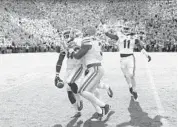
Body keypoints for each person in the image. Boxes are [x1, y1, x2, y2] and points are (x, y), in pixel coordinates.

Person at [101, 20, 151, 101]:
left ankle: (134, 91)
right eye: (125, 28)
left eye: (127, 29)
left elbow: (140, 47)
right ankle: (130, 86)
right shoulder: (119, 36)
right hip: (122, 59)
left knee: (131, 75)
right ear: (123, 29)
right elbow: (108, 34)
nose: (126, 30)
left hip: (130, 58)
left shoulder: (134, 37)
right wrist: (104, 26)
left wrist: (147, 54)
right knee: (126, 76)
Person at [69, 26, 111, 121]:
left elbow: (78, 56)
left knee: (82, 91)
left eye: (84, 31)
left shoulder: (86, 40)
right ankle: (100, 112)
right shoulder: (96, 41)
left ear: (87, 33)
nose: (83, 33)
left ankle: (104, 106)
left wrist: (73, 51)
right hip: (96, 67)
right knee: (91, 92)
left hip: (93, 68)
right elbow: (99, 56)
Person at [54, 29, 83, 117]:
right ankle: (77, 111)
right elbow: (60, 60)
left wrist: (68, 47)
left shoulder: (77, 43)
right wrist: (57, 74)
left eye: (68, 36)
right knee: (69, 91)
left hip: (78, 68)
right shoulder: (66, 46)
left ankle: (80, 99)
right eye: (65, 36)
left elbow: (78, 53)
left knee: (72, 84)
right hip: (69, 69)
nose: (66, 38)